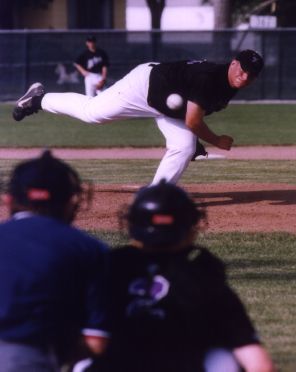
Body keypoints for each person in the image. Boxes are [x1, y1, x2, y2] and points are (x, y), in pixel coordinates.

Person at [73, 180, 276, 372]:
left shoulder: (108, 270)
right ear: (190, 226)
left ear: (132, 225)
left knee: (83, 364)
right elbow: (258, 363)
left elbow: (86, 342)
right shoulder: (203, 275)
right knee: (222, 358)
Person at [12, 49, 264, 185]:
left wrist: (195, 138)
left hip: (166, 102)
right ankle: (38, 99)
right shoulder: (210, 78)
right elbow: (193, 121)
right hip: (143, 87)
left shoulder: (228, 85)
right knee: (92, 113)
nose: (245, 77)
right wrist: (216, 140)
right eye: (243, 70)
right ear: (233, 64)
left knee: (184, 146)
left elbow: (191, 113)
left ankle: (158, 193)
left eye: (251, 75)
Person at [0, 150, 110, 371]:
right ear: (71, 201)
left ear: (9, 198)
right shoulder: (89, 249)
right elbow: (96, 341)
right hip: (25, 359)